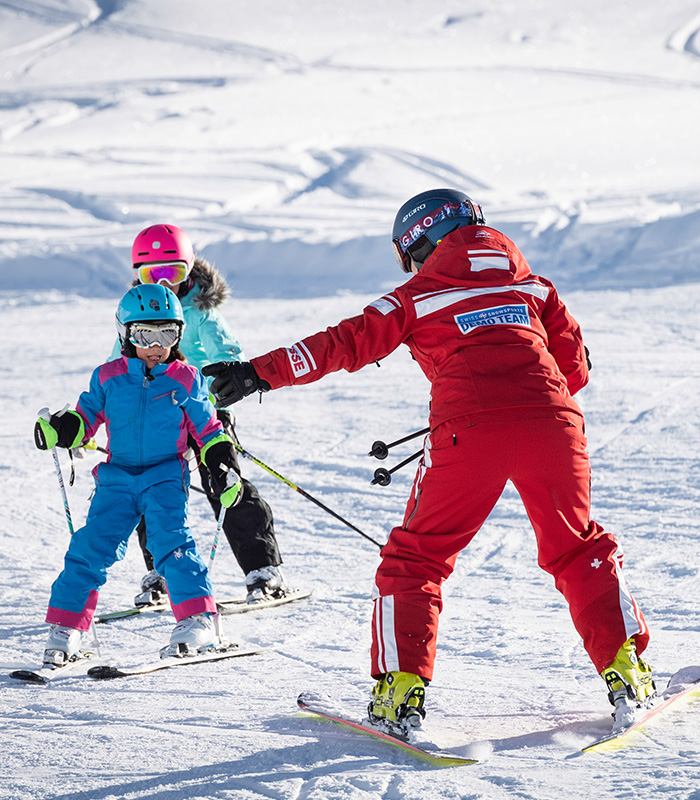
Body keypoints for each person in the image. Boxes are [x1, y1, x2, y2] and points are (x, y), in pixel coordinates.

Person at [202, 188, 655, 735]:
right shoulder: (534, 285)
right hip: (554, 428)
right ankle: (626, 670)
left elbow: (345, 342)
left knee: (417, 558)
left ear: (418, 247)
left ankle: (399, 692)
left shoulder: (415, 295)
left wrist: (257, 373)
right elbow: (575, 371)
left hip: (467, 433)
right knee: (577, 547)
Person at [34, 284, 241, 665]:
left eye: (168, 334)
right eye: (145, 334)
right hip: (117, 477)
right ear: (126, 335)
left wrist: (222, 462)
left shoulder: (185, 378)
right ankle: (67, 628)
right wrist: (63, 430)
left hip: (164, 476)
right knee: (87, 548)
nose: (157, 345)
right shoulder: (108, 377)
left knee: (170, 544)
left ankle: (197, 618)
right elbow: (85, 420)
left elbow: (208, 430)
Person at [112, 224, 288, 607]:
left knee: (223, 481)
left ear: (189, 271)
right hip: (157, 417)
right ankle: (163, 572)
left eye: (172, 273)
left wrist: (222, 376)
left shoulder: (201, 311)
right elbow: (117, 364)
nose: (163, 283)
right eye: (151, 275)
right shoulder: (136, 313)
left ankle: (263, 568)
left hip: (205, 410)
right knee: (152, 490)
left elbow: (229, 350)